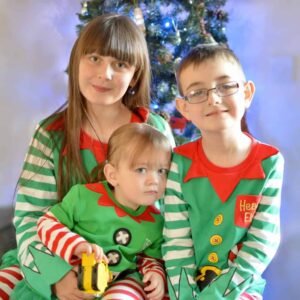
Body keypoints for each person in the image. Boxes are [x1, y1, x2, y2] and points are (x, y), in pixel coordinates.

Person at [0, 14, 174, 300]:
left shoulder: (154, 130)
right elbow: (32, 217)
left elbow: (168, 213)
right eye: (94, 58)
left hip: (127, 266)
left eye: (119, 64)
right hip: (55, 254)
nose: (104, 74)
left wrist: (156, 269)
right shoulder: (51, 134)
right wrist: (57, 279)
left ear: (135, 75)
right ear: (76, 62)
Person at [162, 44, 284, 300]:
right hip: (186, 290)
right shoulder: (180, 162)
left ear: (247, 93)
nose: (214, 99)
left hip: (240, 289)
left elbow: (262, 242)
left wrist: (216, 295)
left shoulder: (269, 162)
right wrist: (186, 295)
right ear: (184, 109)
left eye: (226, 86)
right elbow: (176, 240)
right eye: (197, 92)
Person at [36, 123, 171, 300]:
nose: (154, 180)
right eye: (141, 169)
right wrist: (76, 245)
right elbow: (46, 224)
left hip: (119, 280)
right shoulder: (83, 197)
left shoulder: (156, 221)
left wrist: (155, 274)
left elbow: (150, 257)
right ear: (113, 175)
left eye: (162, 171)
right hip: (72, 273)